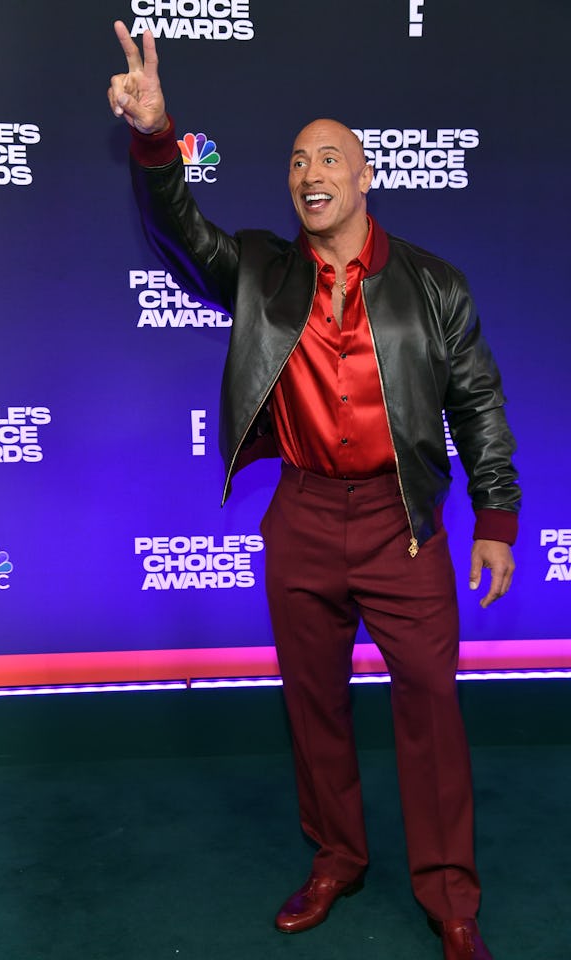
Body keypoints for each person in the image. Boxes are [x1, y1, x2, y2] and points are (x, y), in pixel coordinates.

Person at [108, 22, 520, 960]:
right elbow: (180, 232)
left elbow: (479, 403)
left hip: (400, 522)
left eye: (328, 157)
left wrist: (495, 516)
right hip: (300, 514)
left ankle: (450, 896)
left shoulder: (434, 285)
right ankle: (337, 857)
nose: (309, 172)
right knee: (313, 704)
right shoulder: (262, 271)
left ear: (365, 175)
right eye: (296, 161)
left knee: (431, 703)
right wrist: (156, 134)